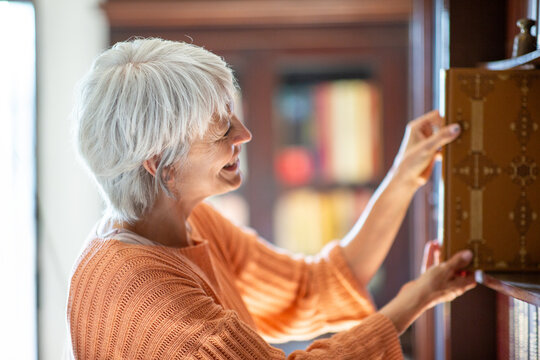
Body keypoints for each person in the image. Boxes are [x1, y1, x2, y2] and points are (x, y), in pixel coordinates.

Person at [67, 38, 476, 359]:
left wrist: (405, 174)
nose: (244, 134)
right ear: (161, 165)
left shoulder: (186, 222)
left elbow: (312, 288)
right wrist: (416, 300)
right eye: (222, 129)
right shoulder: (144, 290)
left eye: (233, 114)